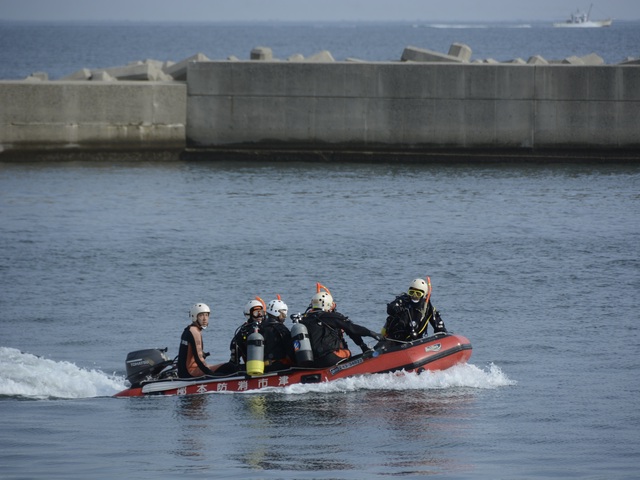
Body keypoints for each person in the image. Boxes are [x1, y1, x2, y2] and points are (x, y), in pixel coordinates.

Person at [301, 285, 383, 368]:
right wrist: (372, 334)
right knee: (347, 352)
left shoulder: (304, 319)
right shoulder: (330, 317)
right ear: (328, 304)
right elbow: (351, 328)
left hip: (313, 361)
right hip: (329, 358)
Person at [382, 277, 447, 341]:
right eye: (412, 292)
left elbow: (437, 324)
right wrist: (395, 309)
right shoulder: (403, 301)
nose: (414, 296)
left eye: (418, 294)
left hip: (415, 341)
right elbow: (390, 308)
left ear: (423, 295)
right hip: (395, 339)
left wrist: (441, 332)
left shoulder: (427, 307)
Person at [178, 303, 228, 378]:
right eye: (201, 315)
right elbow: (199, 360)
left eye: (207, 315)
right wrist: (211, 374)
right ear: (194, 317)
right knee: (229, 367)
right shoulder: (194, 332)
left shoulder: (187, 330)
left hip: (183, 372)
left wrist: (202, 353)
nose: (205, 319)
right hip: (191, 372)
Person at [260, 297, 295, 371]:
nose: (285, 317)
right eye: (284, 314)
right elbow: (290, 350)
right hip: (278, 366)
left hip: (260, 367)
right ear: (277, 312)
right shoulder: (281, 329)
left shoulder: (260, 327)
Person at [229, 297, 266, 366]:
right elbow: (234, 346)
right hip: (254, 366)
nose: (259, 315)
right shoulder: (244, 331)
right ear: (249, 315)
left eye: (261, 312)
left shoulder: (267, 327)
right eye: (256, 313)